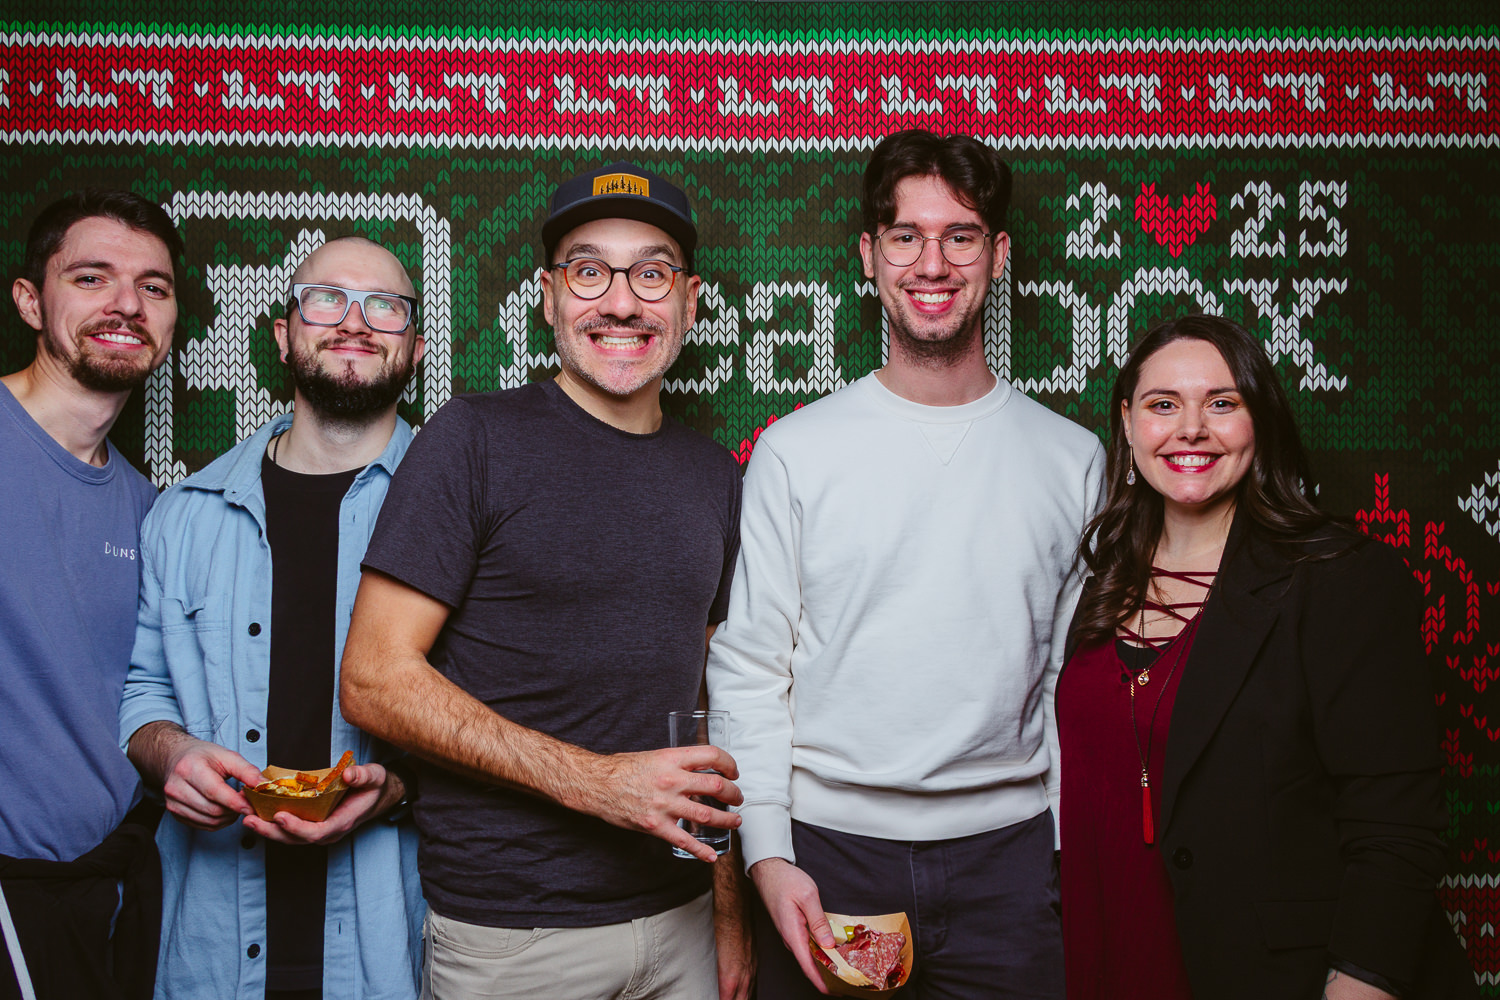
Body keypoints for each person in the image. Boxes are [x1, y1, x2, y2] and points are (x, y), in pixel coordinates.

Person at [339, 162, 752, 1000]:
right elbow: (373, 680)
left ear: (690, 302)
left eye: (652, 274)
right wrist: (600, 784)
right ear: (549, 296)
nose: (622, 303)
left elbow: (714, 705)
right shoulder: (472, 440)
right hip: (514, 939)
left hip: (680, 926)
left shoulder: (717, 476)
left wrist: (726, 912)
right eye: (590, 271)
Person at [705, 129, 1103, 999]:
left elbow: (1077, 680)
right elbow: (750, 669)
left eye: (960, 236)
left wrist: (1063, 850)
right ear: (869, 255)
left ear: (998, 254)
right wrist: (767, 852)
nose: (933, 263)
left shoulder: (1073, 459)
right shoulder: (795, 452)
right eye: (905, 236)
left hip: (1013, 865)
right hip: (829, 857)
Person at [1056, 314, 1477, 1000]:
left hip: (1273, 974)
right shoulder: (1106, 579)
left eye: (1222, 403)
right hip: (1113, 951)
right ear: (1128, 425)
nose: (1191, 428)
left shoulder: (1342, 579)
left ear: (1261, 422)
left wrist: (1357, 987)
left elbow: (1395, 827)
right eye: (1164, 405)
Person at [119, 236, 427, 1000]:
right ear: (284, 335)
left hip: (392, 946)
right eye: (327, 299)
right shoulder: (182, 515)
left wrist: (399, 786)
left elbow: (506, 716)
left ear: (416, 349)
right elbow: (141, 689)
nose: (354, 321)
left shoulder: (463, 514)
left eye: (384, 307)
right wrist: (169, 752)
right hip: (210, 946)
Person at [0, 190, 181, 1000]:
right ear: (30, 300)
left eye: (153, 286)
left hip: (104, 888)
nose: (126, 305)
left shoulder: (150, 511)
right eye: (91, 277)